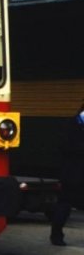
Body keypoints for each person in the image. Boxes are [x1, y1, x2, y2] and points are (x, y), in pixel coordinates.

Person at [52, 105, 84, 245]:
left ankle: (56, 235)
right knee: (64, 204)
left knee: (64, 204)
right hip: (73, 173)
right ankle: (56, 235)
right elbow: (65, 147)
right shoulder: (71, 125)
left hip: (72, 172)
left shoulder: (71, 123)